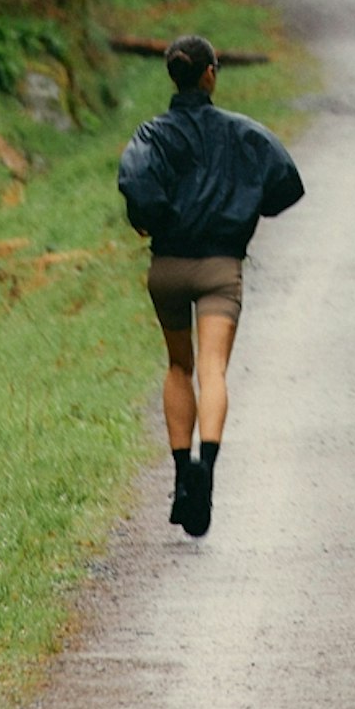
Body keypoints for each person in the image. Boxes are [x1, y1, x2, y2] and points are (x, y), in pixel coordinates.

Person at [117, 32, 305, 538]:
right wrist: (245, 208)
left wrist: (151, 218)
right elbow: (288, 182)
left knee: (178, 366)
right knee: (212, 368)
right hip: (220, 268)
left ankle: (180, 479)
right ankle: (207, 467)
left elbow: (135, 182)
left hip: (169, 267)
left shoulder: (151, 135)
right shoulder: (244, 133)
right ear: (210, 74)